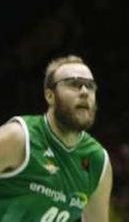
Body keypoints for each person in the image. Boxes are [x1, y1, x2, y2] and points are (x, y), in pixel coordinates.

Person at [0, 55, 112, 222]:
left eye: (90, 86)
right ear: (50, 96)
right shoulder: (18, 137)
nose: (84, 92)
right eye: (74, 84)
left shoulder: (98, 161)